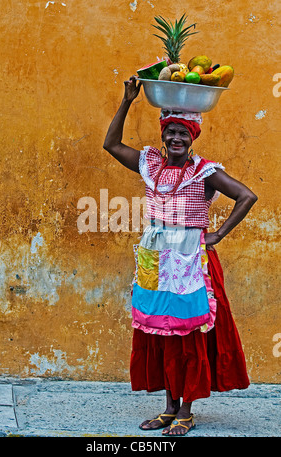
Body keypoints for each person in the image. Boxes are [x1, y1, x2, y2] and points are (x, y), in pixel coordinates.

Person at [103, 76, 257, 436]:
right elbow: (111, 144)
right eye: (170, 131)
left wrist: (216, 234)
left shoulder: (205, 172)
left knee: (188, 334)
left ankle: (186, 409)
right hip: (155, 257)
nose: (175, 138)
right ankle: (169, 408)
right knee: (160, 331)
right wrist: (127, 100)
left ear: (192, 138)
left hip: (190, 259)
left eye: (183, 133)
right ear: (162, 135)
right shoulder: (149, 164)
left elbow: (246, 196)